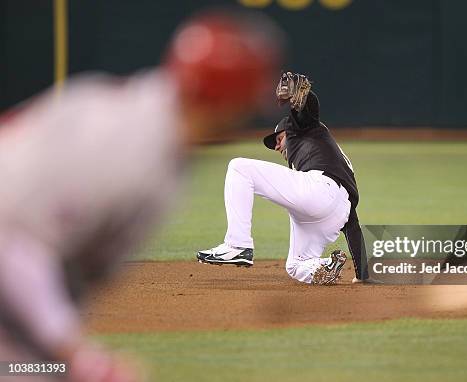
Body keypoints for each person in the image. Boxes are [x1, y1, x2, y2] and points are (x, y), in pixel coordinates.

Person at [0, 11, 281, 382]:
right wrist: (76, 353)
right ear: (228, 101)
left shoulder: (151, 131)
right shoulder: (126, 151)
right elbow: (11, 240)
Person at [197, 72, 375, 285]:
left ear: (291, 130)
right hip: (336, 214)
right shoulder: (333, 158)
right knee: (296, 265)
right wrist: (362, 272)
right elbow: (351, 222)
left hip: (319, 190)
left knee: (239, 168)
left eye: (279, 139)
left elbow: (308, 110)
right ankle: (325, 266)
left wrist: (299, 97)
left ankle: (237, 245)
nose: (277, 146)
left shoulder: (304, 128)